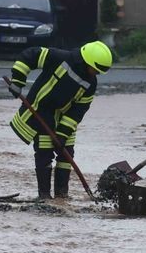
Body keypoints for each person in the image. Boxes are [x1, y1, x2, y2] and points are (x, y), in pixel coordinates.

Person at [9, 40, 113, 199]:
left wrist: (63, 134)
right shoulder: (60, 58)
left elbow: (79, 110)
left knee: (67, 154)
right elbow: (29, 55)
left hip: (64, 119)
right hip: (41, 111)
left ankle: (61, 195)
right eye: (96, 70)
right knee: (44, 152)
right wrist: (18, 81)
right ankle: (44, 195)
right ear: (86, 61)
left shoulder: (91, 83)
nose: (96, 74)